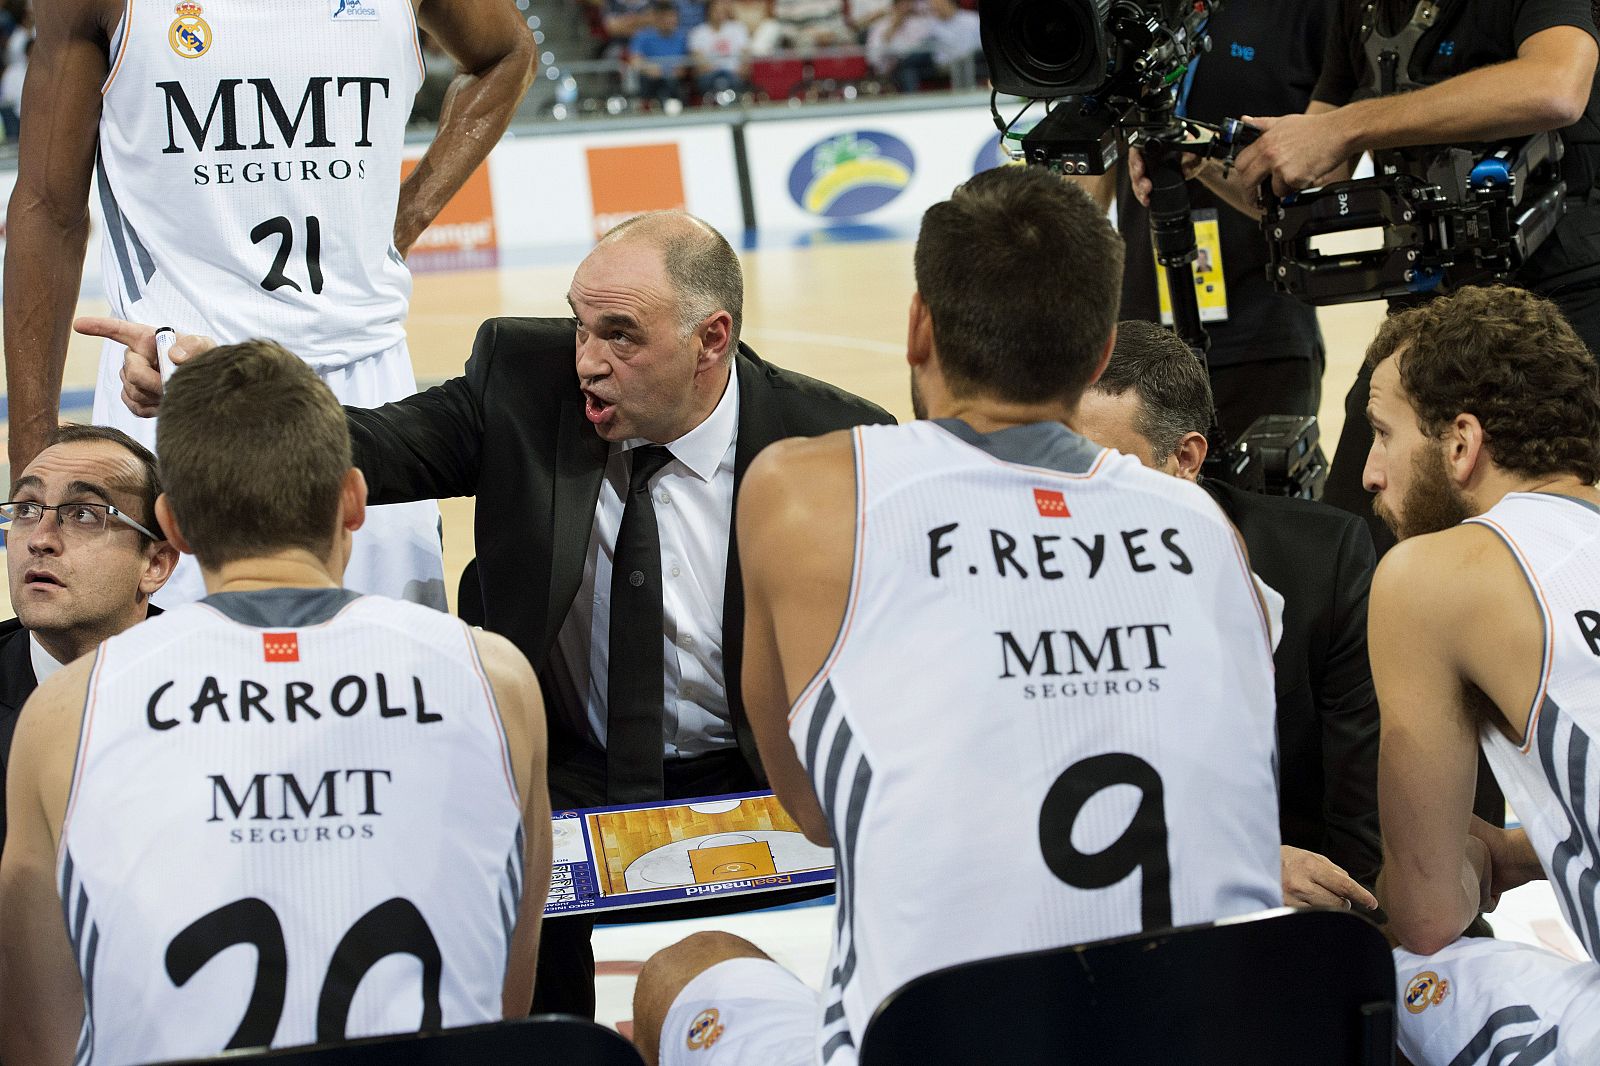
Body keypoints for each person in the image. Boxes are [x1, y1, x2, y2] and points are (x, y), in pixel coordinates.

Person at [109, 210, 895, 1020]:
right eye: (579, 325)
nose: (587, 360)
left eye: (620, 335)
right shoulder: (524, 378)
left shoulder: (838, 442)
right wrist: (214, 395)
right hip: (562, 770)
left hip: (760, 766)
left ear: (711, 339)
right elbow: (367, 444)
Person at [628, 165, 1284, 1066]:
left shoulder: (801, 491)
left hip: (944, 1039)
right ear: (1100, 355)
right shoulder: (1204, 525)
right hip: (1205, 1032)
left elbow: (816, 813)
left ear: (916, 329)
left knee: (681, 968)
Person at [0, 340, 551, 1065]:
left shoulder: (67, 708)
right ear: (353, 500)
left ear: (173, 531)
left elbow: (39, 1039)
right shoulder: (497, 679)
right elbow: (503, 995)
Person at [8, 0, 537, 610]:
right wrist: (32, 457)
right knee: (167, 685)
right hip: (165, 383)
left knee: (385, 677)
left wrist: (404, 220)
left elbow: (506, 54)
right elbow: (48, 209)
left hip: (362, 382)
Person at [1164, 0, 1600, 546]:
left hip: (1559, 306)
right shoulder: (1358, 10)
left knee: (1547, 536)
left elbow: (1556, 85)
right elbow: (1307, 183)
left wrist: (1347, 126)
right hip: (1426, 311)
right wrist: (1202, 161)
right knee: (1358, 533)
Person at [1362, 285, 1600, 1063]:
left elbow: (1430, 912)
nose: (1368, 473)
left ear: (1461, 444)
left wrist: (1463, 861)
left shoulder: (1431, 574)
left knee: (1390, 975)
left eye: (1382, 435)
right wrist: (1516, 851)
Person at [1074, 320, 1382, 899]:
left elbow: (1363, 833)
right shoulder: (1017, 573)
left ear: (1185, 458)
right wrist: (1227, 861)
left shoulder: (1321, 564)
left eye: (1103, 467)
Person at [1094, 0, 1336, 443]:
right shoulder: (1121, 11)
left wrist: (1198, 156)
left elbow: (1319, 192)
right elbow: (1086, 196)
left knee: (1264, 509)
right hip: (1136, 341)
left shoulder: (1305, 13)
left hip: (1266, 335)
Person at [0, 423, 177, 859]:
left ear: (155, 563)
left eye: (83, 514)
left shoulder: (221, 690)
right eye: (25, 510)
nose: (40, 540)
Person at [865, 0, 935, 93]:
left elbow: (925, 49)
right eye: (902, 4)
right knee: (906, 71)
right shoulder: (881, 27)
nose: (905, 8)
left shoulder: (918, 23)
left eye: (908, 4)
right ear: (895, 6)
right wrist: (892, 30)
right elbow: (873, 58)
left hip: (918, 67)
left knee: (908, 67)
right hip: (889, 71)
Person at [631, 2, 691, 106]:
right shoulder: (643, 36)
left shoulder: (682, 37)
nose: (670, 20)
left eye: (673, 17)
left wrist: (680, 69)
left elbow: (685, 64)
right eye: (666, 17)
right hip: (650, 79)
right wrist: (647, 67)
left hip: (674, 80)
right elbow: (635, 61)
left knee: (673, 84)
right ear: (657, 18)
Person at [688, 0, 752, 98]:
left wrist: (738, 71)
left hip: (734, 75)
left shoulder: (738, 29)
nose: (719, 14)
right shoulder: (697, 33)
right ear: (708, 11)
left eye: (722, 10)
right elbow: (698, 64)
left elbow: (746, 58)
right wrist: (719, 70)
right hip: (710, 76)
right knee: (719, 80)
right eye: (716, 10)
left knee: (730, 80)